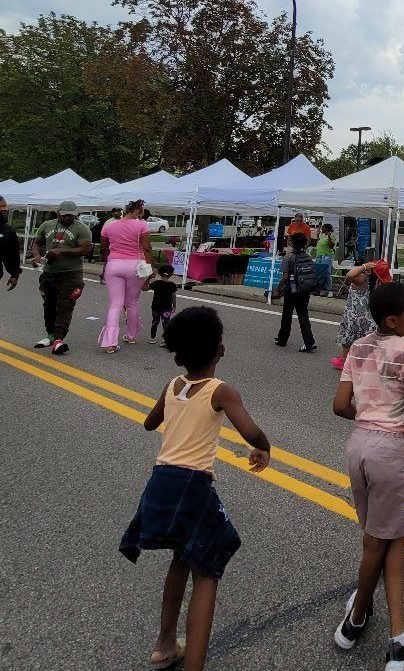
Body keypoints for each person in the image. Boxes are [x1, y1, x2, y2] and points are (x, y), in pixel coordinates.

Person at [119, 306, 271, 671]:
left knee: (182, 559)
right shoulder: (221, 390)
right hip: (192, 484)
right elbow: (250, 431)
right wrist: (263, 448)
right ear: (219, 349)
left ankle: (166, 642)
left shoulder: (173, 385)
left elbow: (149, 422)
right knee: (208, 570)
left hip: (161, 482)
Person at [332, 282, 404, 671]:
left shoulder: (358, 347)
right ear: (394, 319)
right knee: (378, 543)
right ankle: (357, 620)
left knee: (387, 538)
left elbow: (340, 405)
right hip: (392, 451)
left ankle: (398, 631)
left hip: (358, 447)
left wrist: (368, 416)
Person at [31, 201, 92, 355]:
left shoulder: (82, 228)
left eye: (70, 215)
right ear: (58, 213)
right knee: (49, 305)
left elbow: (84, 249)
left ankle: (59, 340)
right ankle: (50, 335)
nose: (67, 218)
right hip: (50, 273)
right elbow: (36, 242)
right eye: (64, 215)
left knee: (65, 306)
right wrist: (37, 255)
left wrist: (62, 251)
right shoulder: (47, 225)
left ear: (75, 214)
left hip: (71, 274)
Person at [99, 199, 156, 353]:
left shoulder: (109, 226)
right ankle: (131, 335)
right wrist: (150, 268)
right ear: (137, 211)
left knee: (115, 304)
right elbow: (147, 248)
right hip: (134, 266)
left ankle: (110, 342)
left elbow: (104, 248)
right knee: (132, 302)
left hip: (114, 264)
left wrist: (108, 262)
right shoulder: (141, 225)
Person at [272, 232, 317, 352]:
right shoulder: (307, 257)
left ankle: (282, 340)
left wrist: (277, 289)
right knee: (303, 315)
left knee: (287, 315)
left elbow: (285, 276)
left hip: (291, 290)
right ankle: (309, 342)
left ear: (292, 243)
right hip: (304, 290)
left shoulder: (289, 257)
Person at [331, 261, 381, 370]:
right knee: (368, 339)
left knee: (348, 339)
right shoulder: (375, 283)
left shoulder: (360, 280)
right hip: (368, 316)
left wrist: (363, 267)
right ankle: (369, 362)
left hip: (353, 315)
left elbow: (349, 275)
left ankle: (343, 360)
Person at [148, 264, 178, 345]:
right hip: (167, 308)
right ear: (171, 274)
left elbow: (145, 288)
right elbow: (173, 296)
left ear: (159, 273)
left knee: (155, 322)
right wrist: (174, 306)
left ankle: (152, 338)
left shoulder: (156, 283)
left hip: (155, 307)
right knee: (166, 323)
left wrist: (148, 278)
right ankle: (165, 340)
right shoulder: (172, 285)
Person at [0, 196, 21, 291]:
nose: (5, 209)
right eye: (1, 206)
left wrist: (14, 274)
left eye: (5, 206)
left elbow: (11, 254)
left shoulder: (7, 230)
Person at [315, 223, 336, 297]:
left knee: (327, 273)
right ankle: (321, 289)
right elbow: (318, 243)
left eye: (323, 228)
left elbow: (331, 246)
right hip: (319, 256)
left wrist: (329, 237)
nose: (322, 229)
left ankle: (329, 290)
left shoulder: (331, 236)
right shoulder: (323, 236)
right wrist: (317, 235)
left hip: (326, 257)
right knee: (320, 273)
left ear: (327, 228)